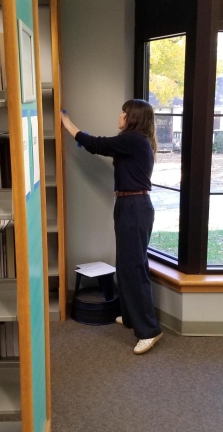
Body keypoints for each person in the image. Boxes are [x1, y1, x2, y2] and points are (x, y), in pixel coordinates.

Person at [61, 100, 163, 355]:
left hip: (135, 207)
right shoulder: (133, 142)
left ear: (134, 118)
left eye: (125, 112)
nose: (120, 115)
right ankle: (130, 317)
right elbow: (102, 147)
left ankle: (149, 330)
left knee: (134, 267)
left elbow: (97, 144)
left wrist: (67, 124)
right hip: (129, 206)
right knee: (127, 264)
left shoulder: (134, 140)